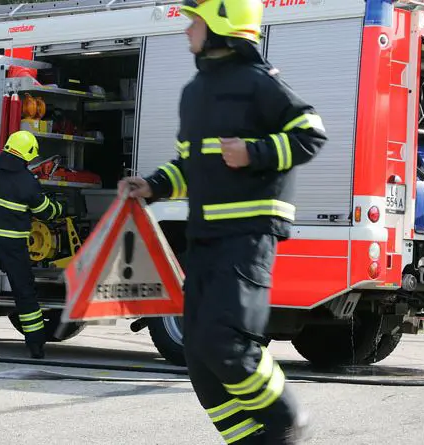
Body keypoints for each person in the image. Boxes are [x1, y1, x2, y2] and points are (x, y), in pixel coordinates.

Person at [118, 0, 327, 442]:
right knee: (198, 354)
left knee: (226, 342)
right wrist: (153, 185)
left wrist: (254, 152)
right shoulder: (195, 91)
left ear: (221, 22)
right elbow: (192, 164)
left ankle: (288, 419)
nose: (186, 30)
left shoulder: (259, 82)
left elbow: (310, 133)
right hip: (204, 235)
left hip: (247, 234)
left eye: (194, 20)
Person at [0, 130, 64, 359]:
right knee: (25, 295)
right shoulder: (27, 182)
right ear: (27, 154)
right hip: (14, 248)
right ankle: (36, 347)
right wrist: (61, 207)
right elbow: (46, 211)